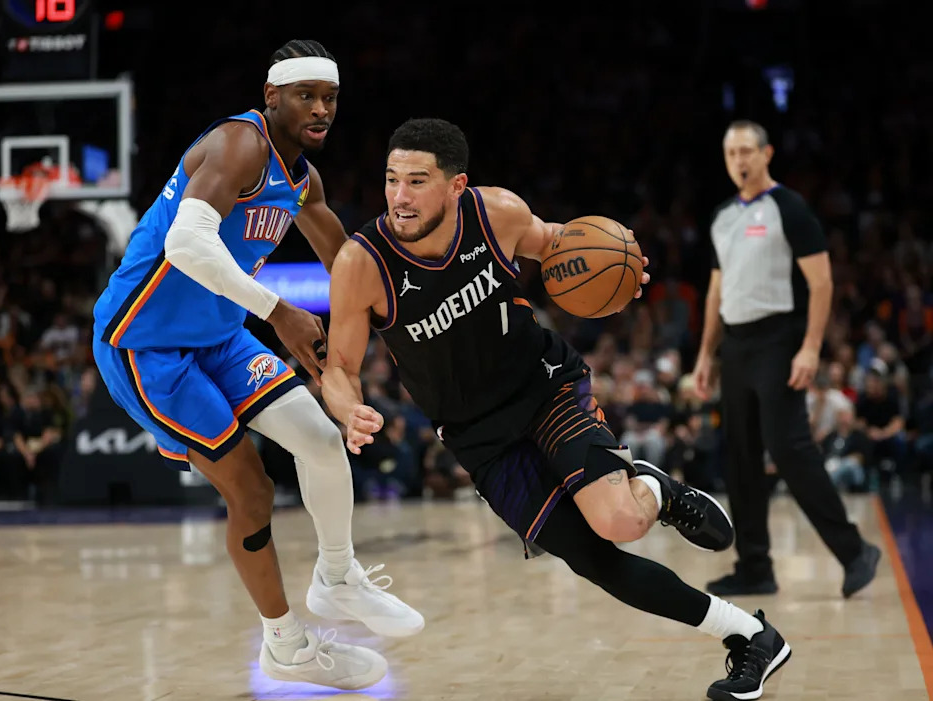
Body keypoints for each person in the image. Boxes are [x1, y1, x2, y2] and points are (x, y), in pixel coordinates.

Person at [321, 117, 792, 700]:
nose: (399, 196)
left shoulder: (496, 214)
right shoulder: (361, 263)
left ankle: (656, 493)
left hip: (545, 387)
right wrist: (347, 410)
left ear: (456, 185)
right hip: (479, 438)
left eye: (417, 181)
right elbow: (339, 367)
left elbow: (560, 242)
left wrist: (622, 261)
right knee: (597, 560)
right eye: (392, 179)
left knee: (618, 520)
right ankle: (750, 635)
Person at [91, 40, 423, 691]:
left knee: (322, 441)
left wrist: (414, 329)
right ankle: (286, 645)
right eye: (306, 96)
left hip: (219, 333)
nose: (321, 109)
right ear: (272, 97)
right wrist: (277, 312)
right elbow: (188, 243)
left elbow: (349, 268)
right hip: (145, 343)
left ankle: (336, 575)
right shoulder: (238, 145)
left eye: (330, 98)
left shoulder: (303, 180)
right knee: (250, 487)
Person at [692, 119, 880, 598]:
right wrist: (705, 354)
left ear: (767, 153)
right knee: (740, 459)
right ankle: (755, 567)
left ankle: (855, 551)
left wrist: (812, 347)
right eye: (731, 152)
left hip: (779, 341)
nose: (739, 160)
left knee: (790, 448)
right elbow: (716, 290)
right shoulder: (721, 216)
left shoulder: (789, 208)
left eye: (747, 151)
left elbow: (822, 282)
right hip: (734, 345)